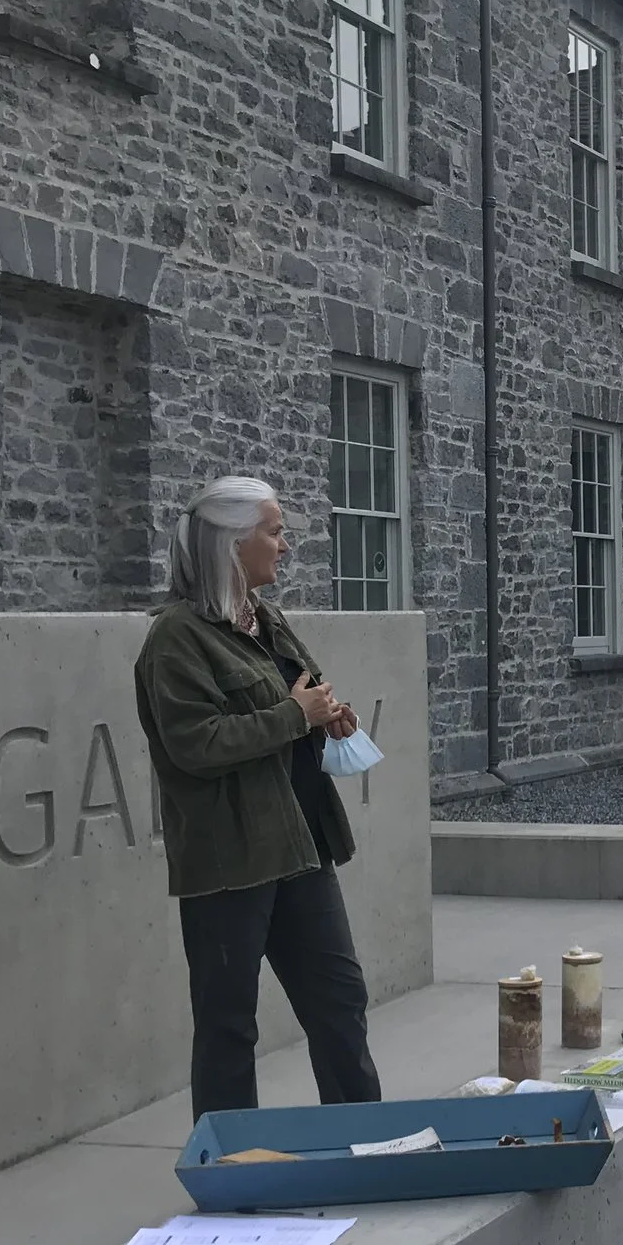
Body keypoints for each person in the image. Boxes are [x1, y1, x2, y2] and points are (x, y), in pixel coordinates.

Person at [135, 475, 383, 1119]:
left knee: (339, 1001)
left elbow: (299, 695)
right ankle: (230, 1169)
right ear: (232, 543)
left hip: (301, 846)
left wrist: (329, 713)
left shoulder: (263, 619)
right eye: (274, 532)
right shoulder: (177, 637)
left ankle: (359, 1139)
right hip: (231, 862)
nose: (285, 546)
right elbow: (197, 743)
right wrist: (295, 717)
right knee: (228, 1024)